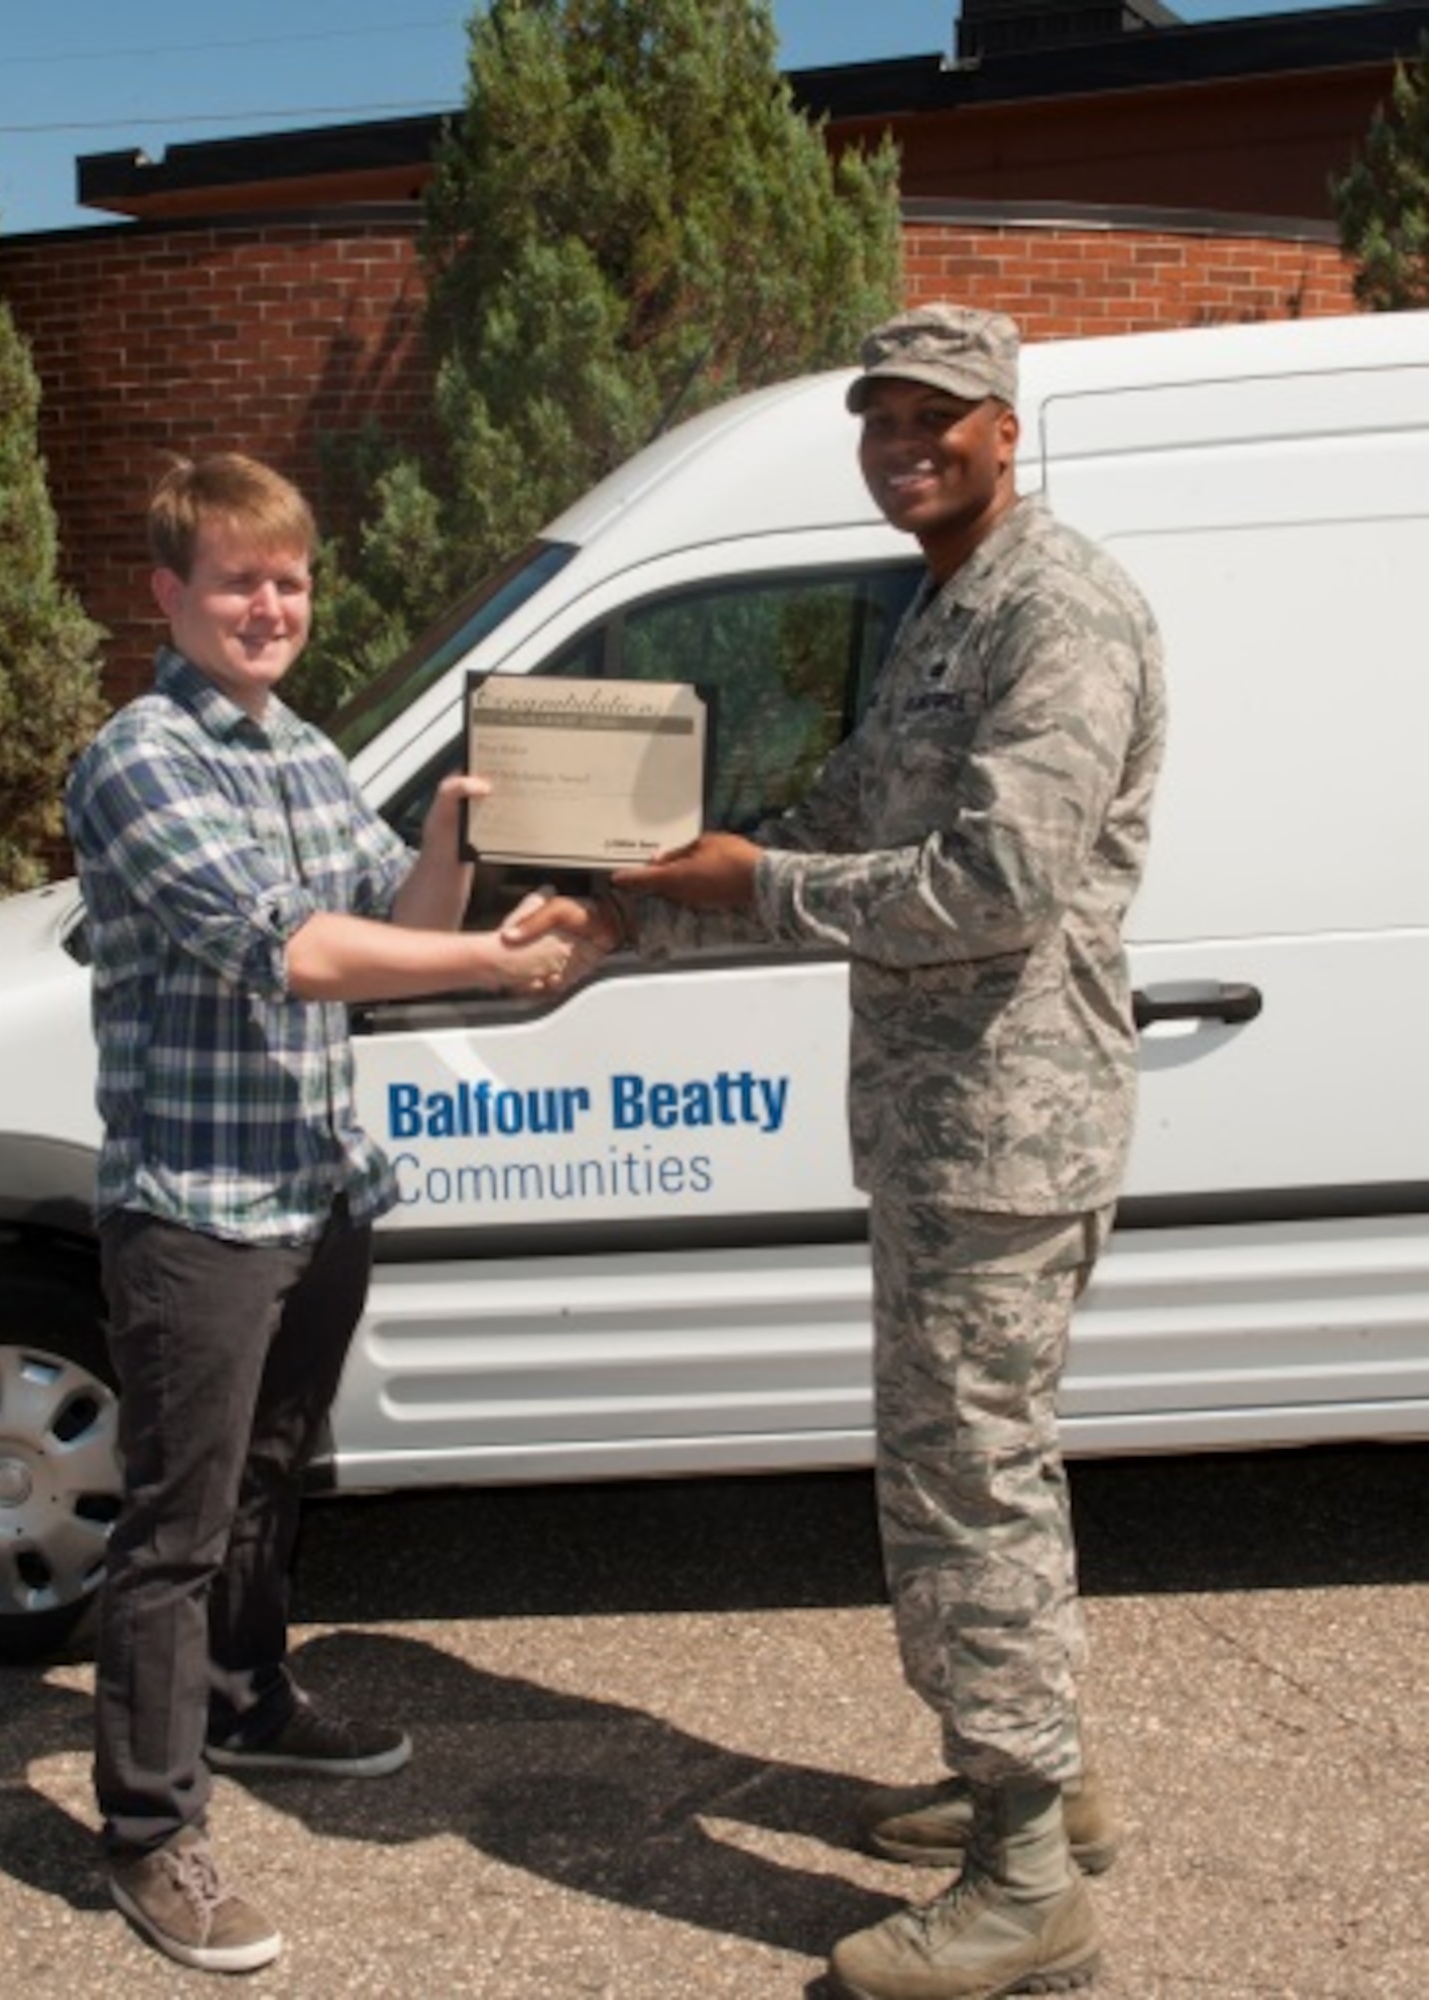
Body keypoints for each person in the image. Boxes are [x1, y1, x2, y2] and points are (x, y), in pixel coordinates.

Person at [507, 303, 1166, 1999]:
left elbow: (994, 883)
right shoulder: (950, 609)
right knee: (976, 1471)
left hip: (1006, 1136)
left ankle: (1027, 1889)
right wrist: (631, 912)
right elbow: (831, 838)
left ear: (1005, 429)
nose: (902, 444)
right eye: (879, 419)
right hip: (944, 1130)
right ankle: (1031, 1780)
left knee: (966, 1486)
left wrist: (757, 887)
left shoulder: (1058, 610)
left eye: (935, 417)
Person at [65, 452, 588, 1976]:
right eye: (237, 579)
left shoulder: (295, 749)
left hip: (313, 1186)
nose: (269, 604)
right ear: (168, 595)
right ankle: (151, 1835)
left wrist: (450, 854)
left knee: (269, 1481)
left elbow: (394, 922)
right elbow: (281, 951)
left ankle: (247, 1706)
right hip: (196, 1210)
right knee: (174, 1523)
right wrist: (490, 968)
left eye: (287, 579)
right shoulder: (140, 757)